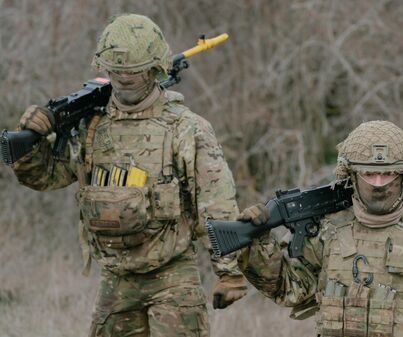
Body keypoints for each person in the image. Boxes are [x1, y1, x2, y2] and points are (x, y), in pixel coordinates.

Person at [11, 14, 246, 337]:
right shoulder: (92, 126)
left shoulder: (186, 128)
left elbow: (216, 205)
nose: (122, 79)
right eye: (115, 72)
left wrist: (229, 272)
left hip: (172, 276)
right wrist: (31, 144)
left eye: (132, 73)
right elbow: (46, 177)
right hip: (116, 277)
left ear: (153, 70)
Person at [237, 121, 403, 337]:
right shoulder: (328, 230)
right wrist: (259, 241)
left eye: (388, 174)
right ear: (352, 176)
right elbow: (288, 289)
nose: (379, 184)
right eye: (369, 174)